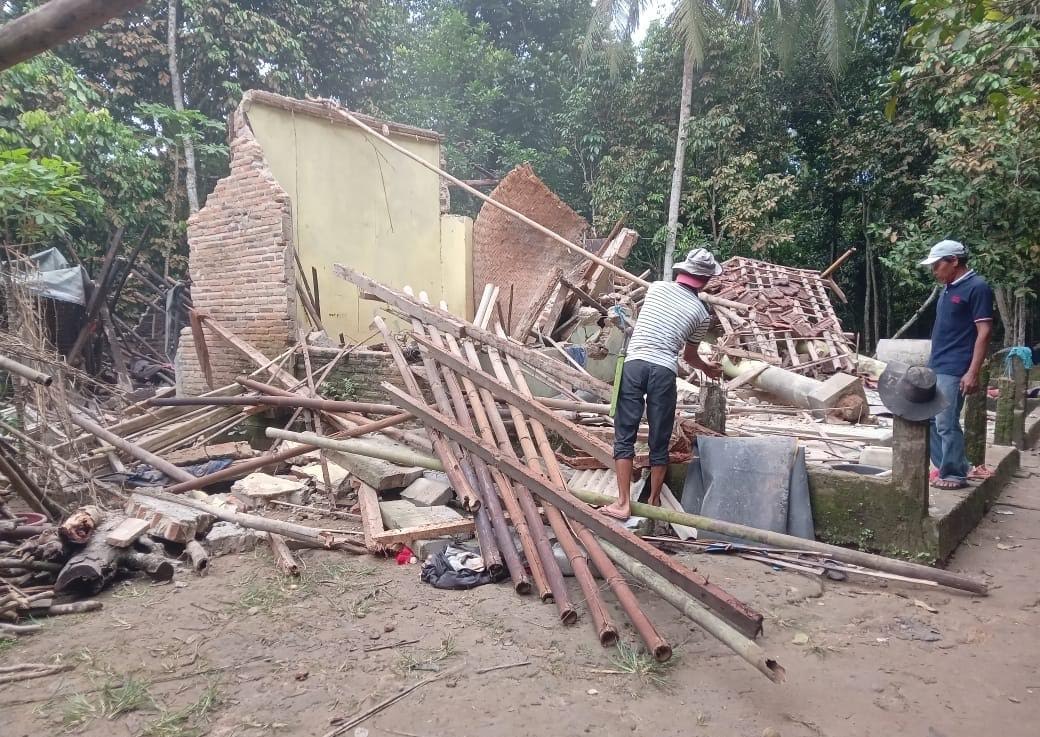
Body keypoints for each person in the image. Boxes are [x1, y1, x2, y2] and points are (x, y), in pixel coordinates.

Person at [603, 248, 724, 520]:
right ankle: (655, 502)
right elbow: (689, 357)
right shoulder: (702, 315)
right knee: (659, 438)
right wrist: (708, 368)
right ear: (704, 282)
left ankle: (622, 503)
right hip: (663, 372)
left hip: (634, 366)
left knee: (625, 434)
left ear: (682, 271)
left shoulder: (656, 288)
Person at [918, 239, 993, 490]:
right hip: (937, 363)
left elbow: (984, 332)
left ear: (954, 261)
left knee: (946, 422)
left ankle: (954, 475)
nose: (934, 271)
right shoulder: (948, 288)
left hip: (955, 366)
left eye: (937, 265)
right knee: (930, 419)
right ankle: (947, 466)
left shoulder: (977, 287)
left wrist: (972, 372)